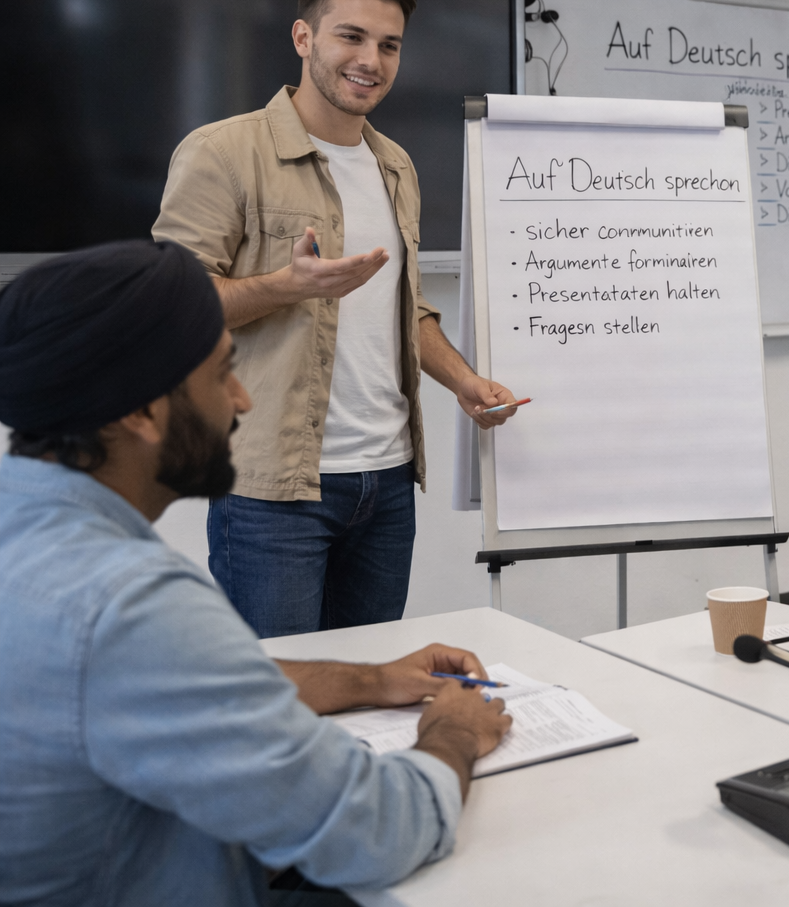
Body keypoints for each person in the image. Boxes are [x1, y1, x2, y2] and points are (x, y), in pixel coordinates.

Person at [0, 241, 511, 906]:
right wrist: (455, 732)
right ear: (141, 412)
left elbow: (184, 682)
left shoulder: (31, 536)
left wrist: (372, 680)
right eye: (222, 374)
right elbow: (378, 832)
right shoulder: (127, 605)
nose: (241, 400)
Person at [151, 0, 517, 638]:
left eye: (388, 45)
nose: (370, 60)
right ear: (303, 38)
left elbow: (404, 309)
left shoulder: (395, 165)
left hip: (386, 485)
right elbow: (172, 306)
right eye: (350, 36)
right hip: (273, 490)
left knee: (368, 690)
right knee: (282, 699)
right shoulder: (223, 153)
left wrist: (464, 381)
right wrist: (286, 287)